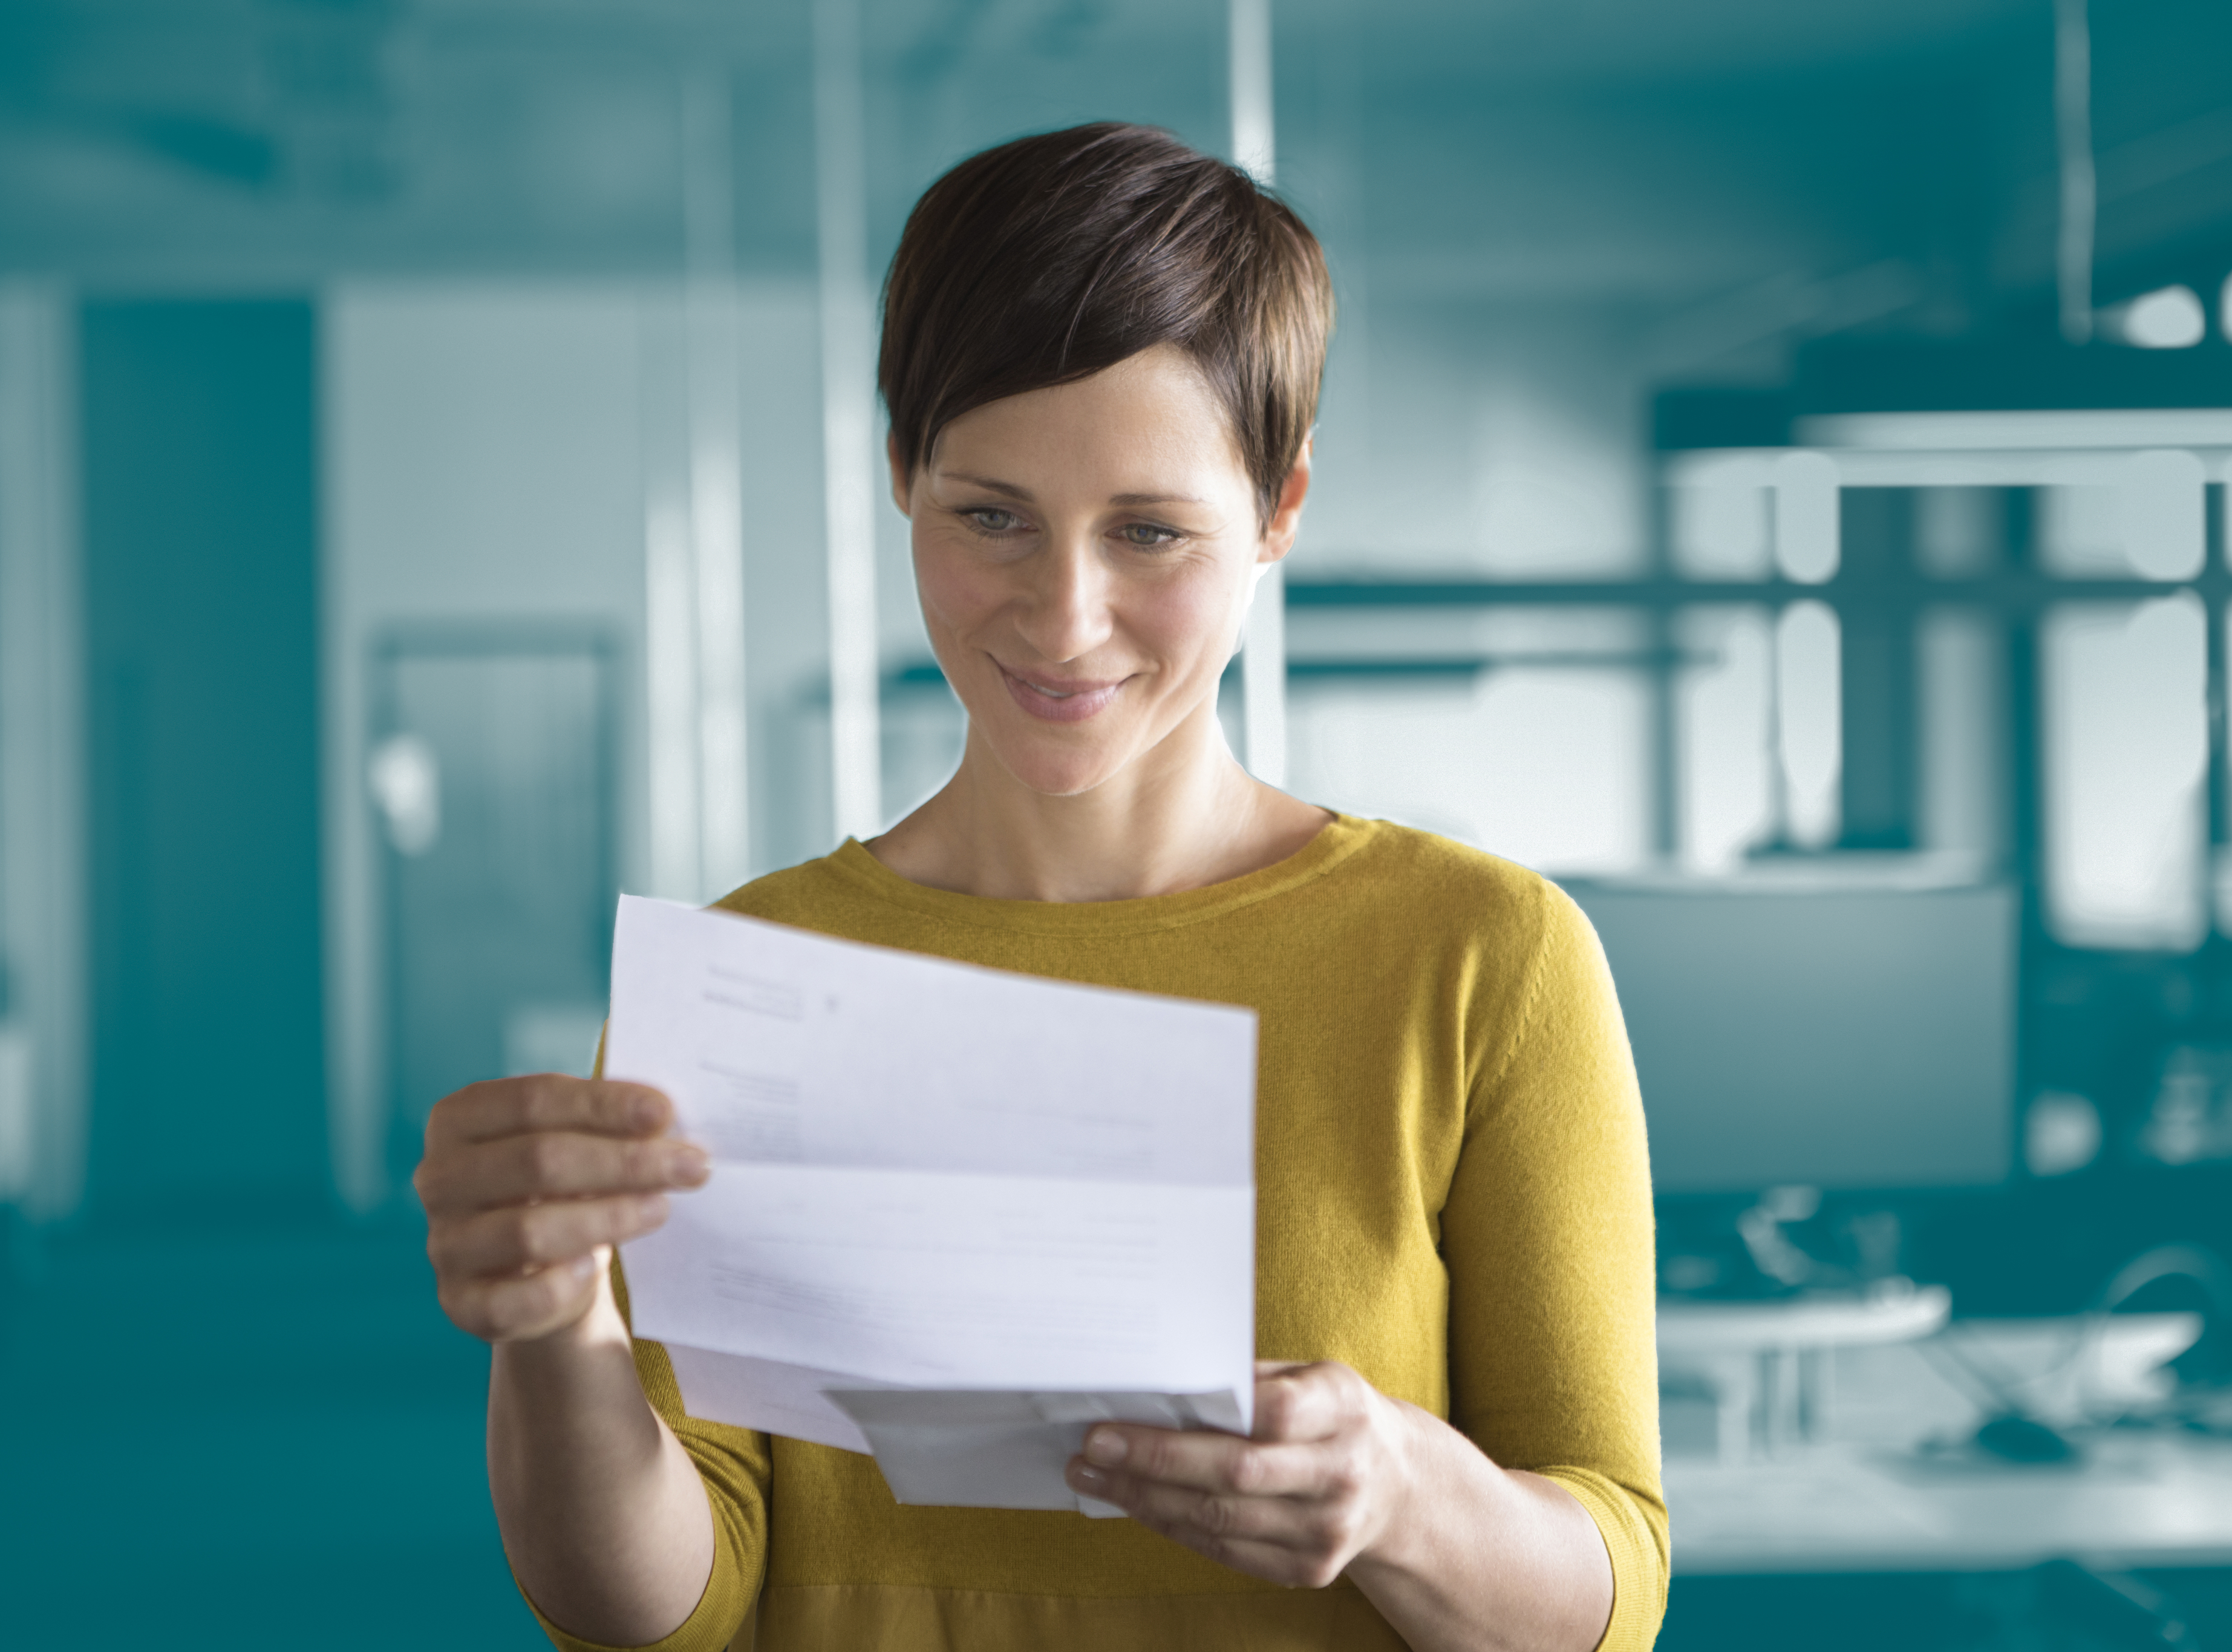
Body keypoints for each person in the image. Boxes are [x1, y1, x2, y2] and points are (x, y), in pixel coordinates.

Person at [414, 123, 1663, 1652]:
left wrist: (1400, 1493)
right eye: (987, 516)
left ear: (1278, 510)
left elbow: (1606, 1593)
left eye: (1149, 532)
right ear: (898, 474)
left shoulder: (1484, 959)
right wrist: (558, 1337)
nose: (1063, 620)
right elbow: (665, 1606)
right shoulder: (742, 982)